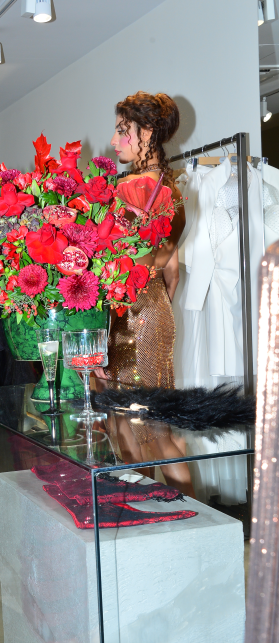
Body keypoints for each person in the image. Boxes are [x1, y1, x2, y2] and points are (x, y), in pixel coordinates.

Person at [95, 92, 193, 494]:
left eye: (123, 131)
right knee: (151, 423)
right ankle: (181, 509)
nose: (115, 141)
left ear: (147, 132)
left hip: (132, 311)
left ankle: (163, 507)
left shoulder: (132, 187)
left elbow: (107, 258)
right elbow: (173, 273)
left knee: (134, 423)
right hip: (150, 308)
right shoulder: (169, 186)